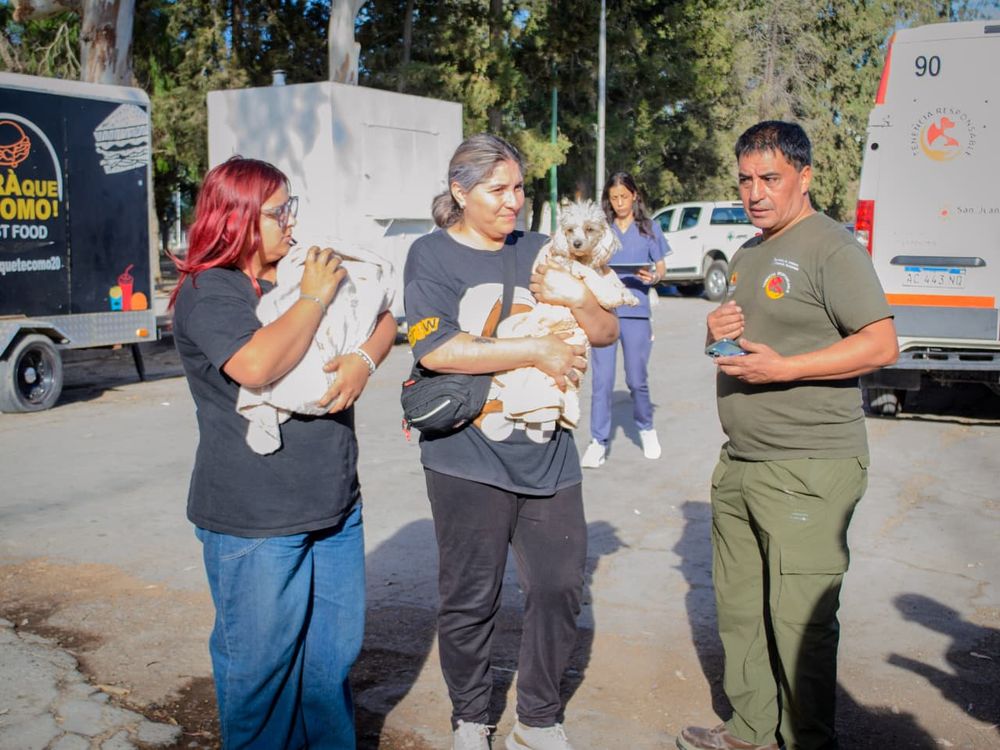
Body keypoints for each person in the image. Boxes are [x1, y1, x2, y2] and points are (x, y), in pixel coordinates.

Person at [677, 122, 898, 750]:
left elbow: (881, 343)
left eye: (769, 178)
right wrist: (712, 331)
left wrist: (787, 368)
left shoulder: (830, 247)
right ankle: (749, 729)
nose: (755, 192)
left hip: (810, 463)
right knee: (742, 609)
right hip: (743, 461)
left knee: (800, 620)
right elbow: (738, 344)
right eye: (745, 179)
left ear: (805, 175)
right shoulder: (749, 252)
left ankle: (806, 739)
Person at [169, 156, 397, 749]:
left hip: (335, 507)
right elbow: (256, 364)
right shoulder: (209, 290)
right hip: (256, 524)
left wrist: (365, 361)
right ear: (238, 218)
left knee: (328, 672)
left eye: (291, 207)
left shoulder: (296, 270)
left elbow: (385, 316)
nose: (291, 222)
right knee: (262, 680)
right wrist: (315, 299)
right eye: (279, 212)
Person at [403, 134, 619, 750]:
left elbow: (602, 333)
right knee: (470, 597)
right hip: (466, 455)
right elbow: (434, 347)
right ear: (460, 192)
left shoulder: (540, 250)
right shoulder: (431, 256)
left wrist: (580, 296)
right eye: (498, 190)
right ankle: (471, 718)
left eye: (519, 188)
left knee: (558, 585)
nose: (513, 201)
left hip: (549, 452)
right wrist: (537, 350)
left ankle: (539, 719)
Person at [579, 171, 670, 469]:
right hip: (606, 311)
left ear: (635, 196)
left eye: (624, 197)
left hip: (637, 310)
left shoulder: (649, 228)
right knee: (602, 381)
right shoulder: (601, 229)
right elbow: (587, 262)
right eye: (614, 198)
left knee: (636, 379)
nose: (619, 203)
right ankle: (598, 441)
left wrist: (653, 277)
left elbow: (660, 269)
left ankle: (646, 428)